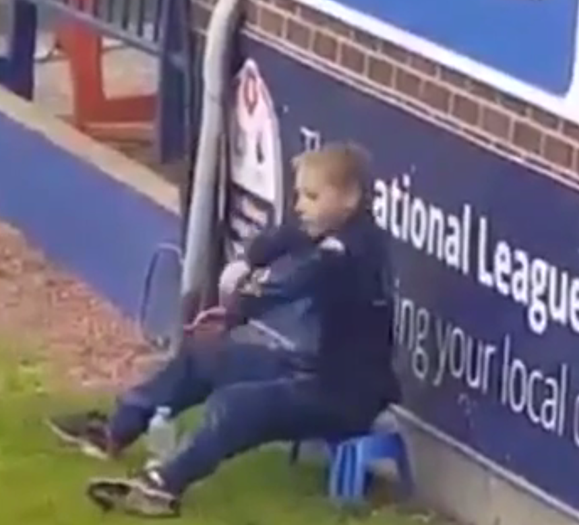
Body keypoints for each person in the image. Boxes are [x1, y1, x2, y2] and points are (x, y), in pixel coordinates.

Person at [47, 141, 400, 518]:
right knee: (203, 360)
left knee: (237, 407)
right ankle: (116, 430)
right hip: (306, 369)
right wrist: (249, 258)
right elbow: (288, 235)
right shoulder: (333, 227)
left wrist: (236, 310)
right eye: (299, 194)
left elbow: (295, 281)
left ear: (349, 197)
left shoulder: (353, 251)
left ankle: (163, 485)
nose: (300, 205)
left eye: (311, 196)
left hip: (343, 396)